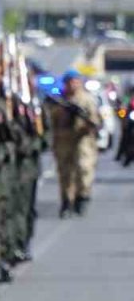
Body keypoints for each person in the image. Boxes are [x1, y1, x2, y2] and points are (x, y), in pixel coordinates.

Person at [48, 70, 99, 217]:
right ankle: (66, 201)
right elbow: (52, 121)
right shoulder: (59, 101)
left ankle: (82, 196)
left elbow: (94, 120)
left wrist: (87, 122)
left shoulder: (86, 100)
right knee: (65, 173)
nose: (72, 85)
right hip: (64, 140)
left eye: (75, 81)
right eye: (69, 82)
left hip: (83, 140)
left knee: (83, 169)